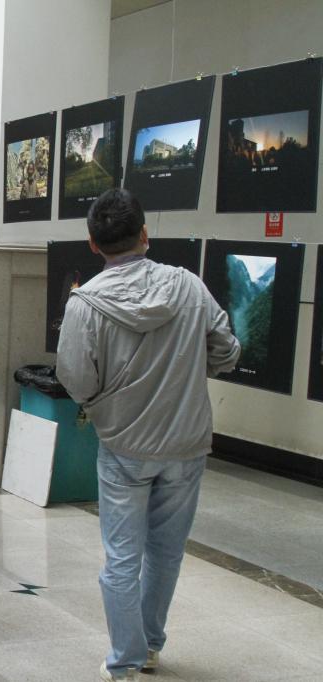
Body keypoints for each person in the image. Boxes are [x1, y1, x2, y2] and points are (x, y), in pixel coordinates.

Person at [56, 189, 240, 681]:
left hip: (123, 447)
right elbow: (227, 350)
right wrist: (189, 366)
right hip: (187, 444)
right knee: (166, 552)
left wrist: (104, 402)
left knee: (122, 557)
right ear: (144, 234)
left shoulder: (85, 304)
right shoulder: (189, 287)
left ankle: (124, 661)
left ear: (93, 243)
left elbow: (75, 379)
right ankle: (151, 645)